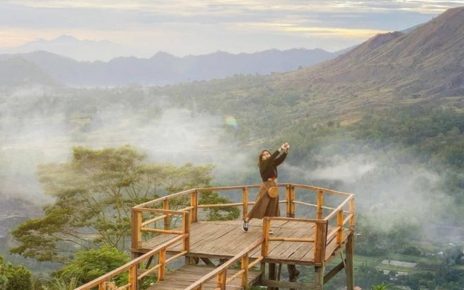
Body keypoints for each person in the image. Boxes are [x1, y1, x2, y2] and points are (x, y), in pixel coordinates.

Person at [242, 142, 290, 232]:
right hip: (266, 186)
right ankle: (247, 219)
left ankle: (267, 228)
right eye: (264, 155)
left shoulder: (271, 163)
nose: (266, 155)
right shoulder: (263, 164)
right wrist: (280, 148)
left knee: (271, 207)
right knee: (260, 204)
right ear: (262, 158)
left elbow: (280, 160)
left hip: (274, 186)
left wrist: (286, 151)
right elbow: (271, 158)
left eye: (267, 153)